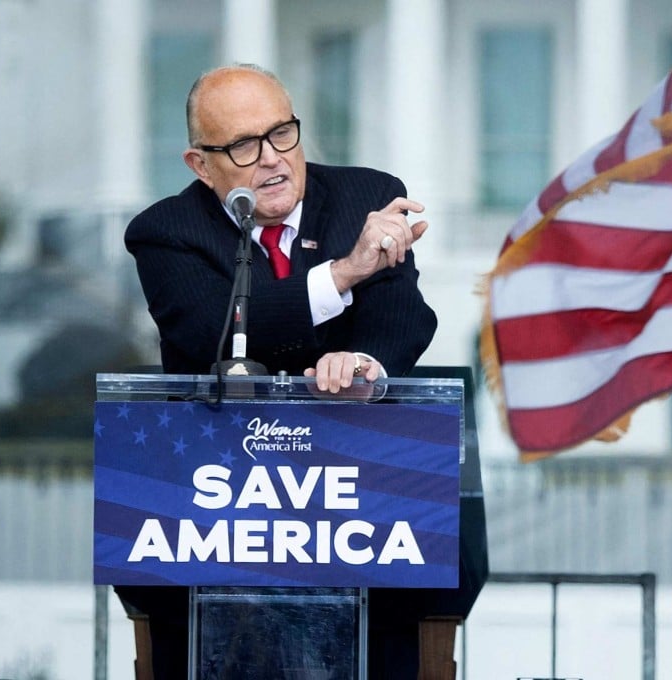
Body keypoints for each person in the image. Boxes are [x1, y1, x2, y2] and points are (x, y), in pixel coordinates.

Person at [117, 63, 438, 679]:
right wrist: (344, 274)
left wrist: (364, 366)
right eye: (242, 146)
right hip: (214, 523)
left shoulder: (365, 198)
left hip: (359, 514)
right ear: (200, 165)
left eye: (282, 133)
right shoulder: (166, 232)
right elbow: (211, 330)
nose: (272, 160)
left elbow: (403, 315)